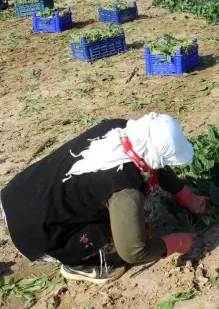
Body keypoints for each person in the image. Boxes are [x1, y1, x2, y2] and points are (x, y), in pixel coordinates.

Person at [0, 113, 208, 284]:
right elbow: (133, 251)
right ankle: (82, 265)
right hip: (36, 234)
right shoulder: (125, 189)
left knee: (126, 205)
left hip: (18, 193)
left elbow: (154, 162)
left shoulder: (120, 128)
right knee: (134, 222)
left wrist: (185, 195)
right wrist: (177, 242)